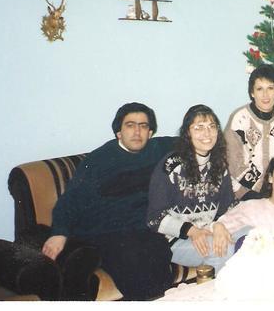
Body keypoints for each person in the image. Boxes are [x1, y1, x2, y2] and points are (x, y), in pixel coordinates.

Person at [42, 102, 173, 300]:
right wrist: (59, 233)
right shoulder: (99, 160)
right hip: (104, 230)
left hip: (141, 227)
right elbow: (71, 198)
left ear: (151, 132)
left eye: (143, 126)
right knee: (134, 265)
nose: (137, 131)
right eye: (130, 125)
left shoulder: (158, 148)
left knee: (160, 254)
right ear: (118, 132)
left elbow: (195, 140)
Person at [147, 104, 241, 273]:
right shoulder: (171, 165)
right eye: (199, 128)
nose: (207, 133)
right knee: (225, 251)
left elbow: (228, 206)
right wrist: (192, 231)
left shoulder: (219, 164)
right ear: (187, 133)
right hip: (178, 239)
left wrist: (219, 225)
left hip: (210, 230)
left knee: (254, 236)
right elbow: (154, 219)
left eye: (212, 127)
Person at [224, 64, 274, 201]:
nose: (265, 95)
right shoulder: (239, 118)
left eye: (270, 88)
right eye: (259, 89)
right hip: (244, 189)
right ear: (252, 93)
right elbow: (234, 165)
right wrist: (265, 189)